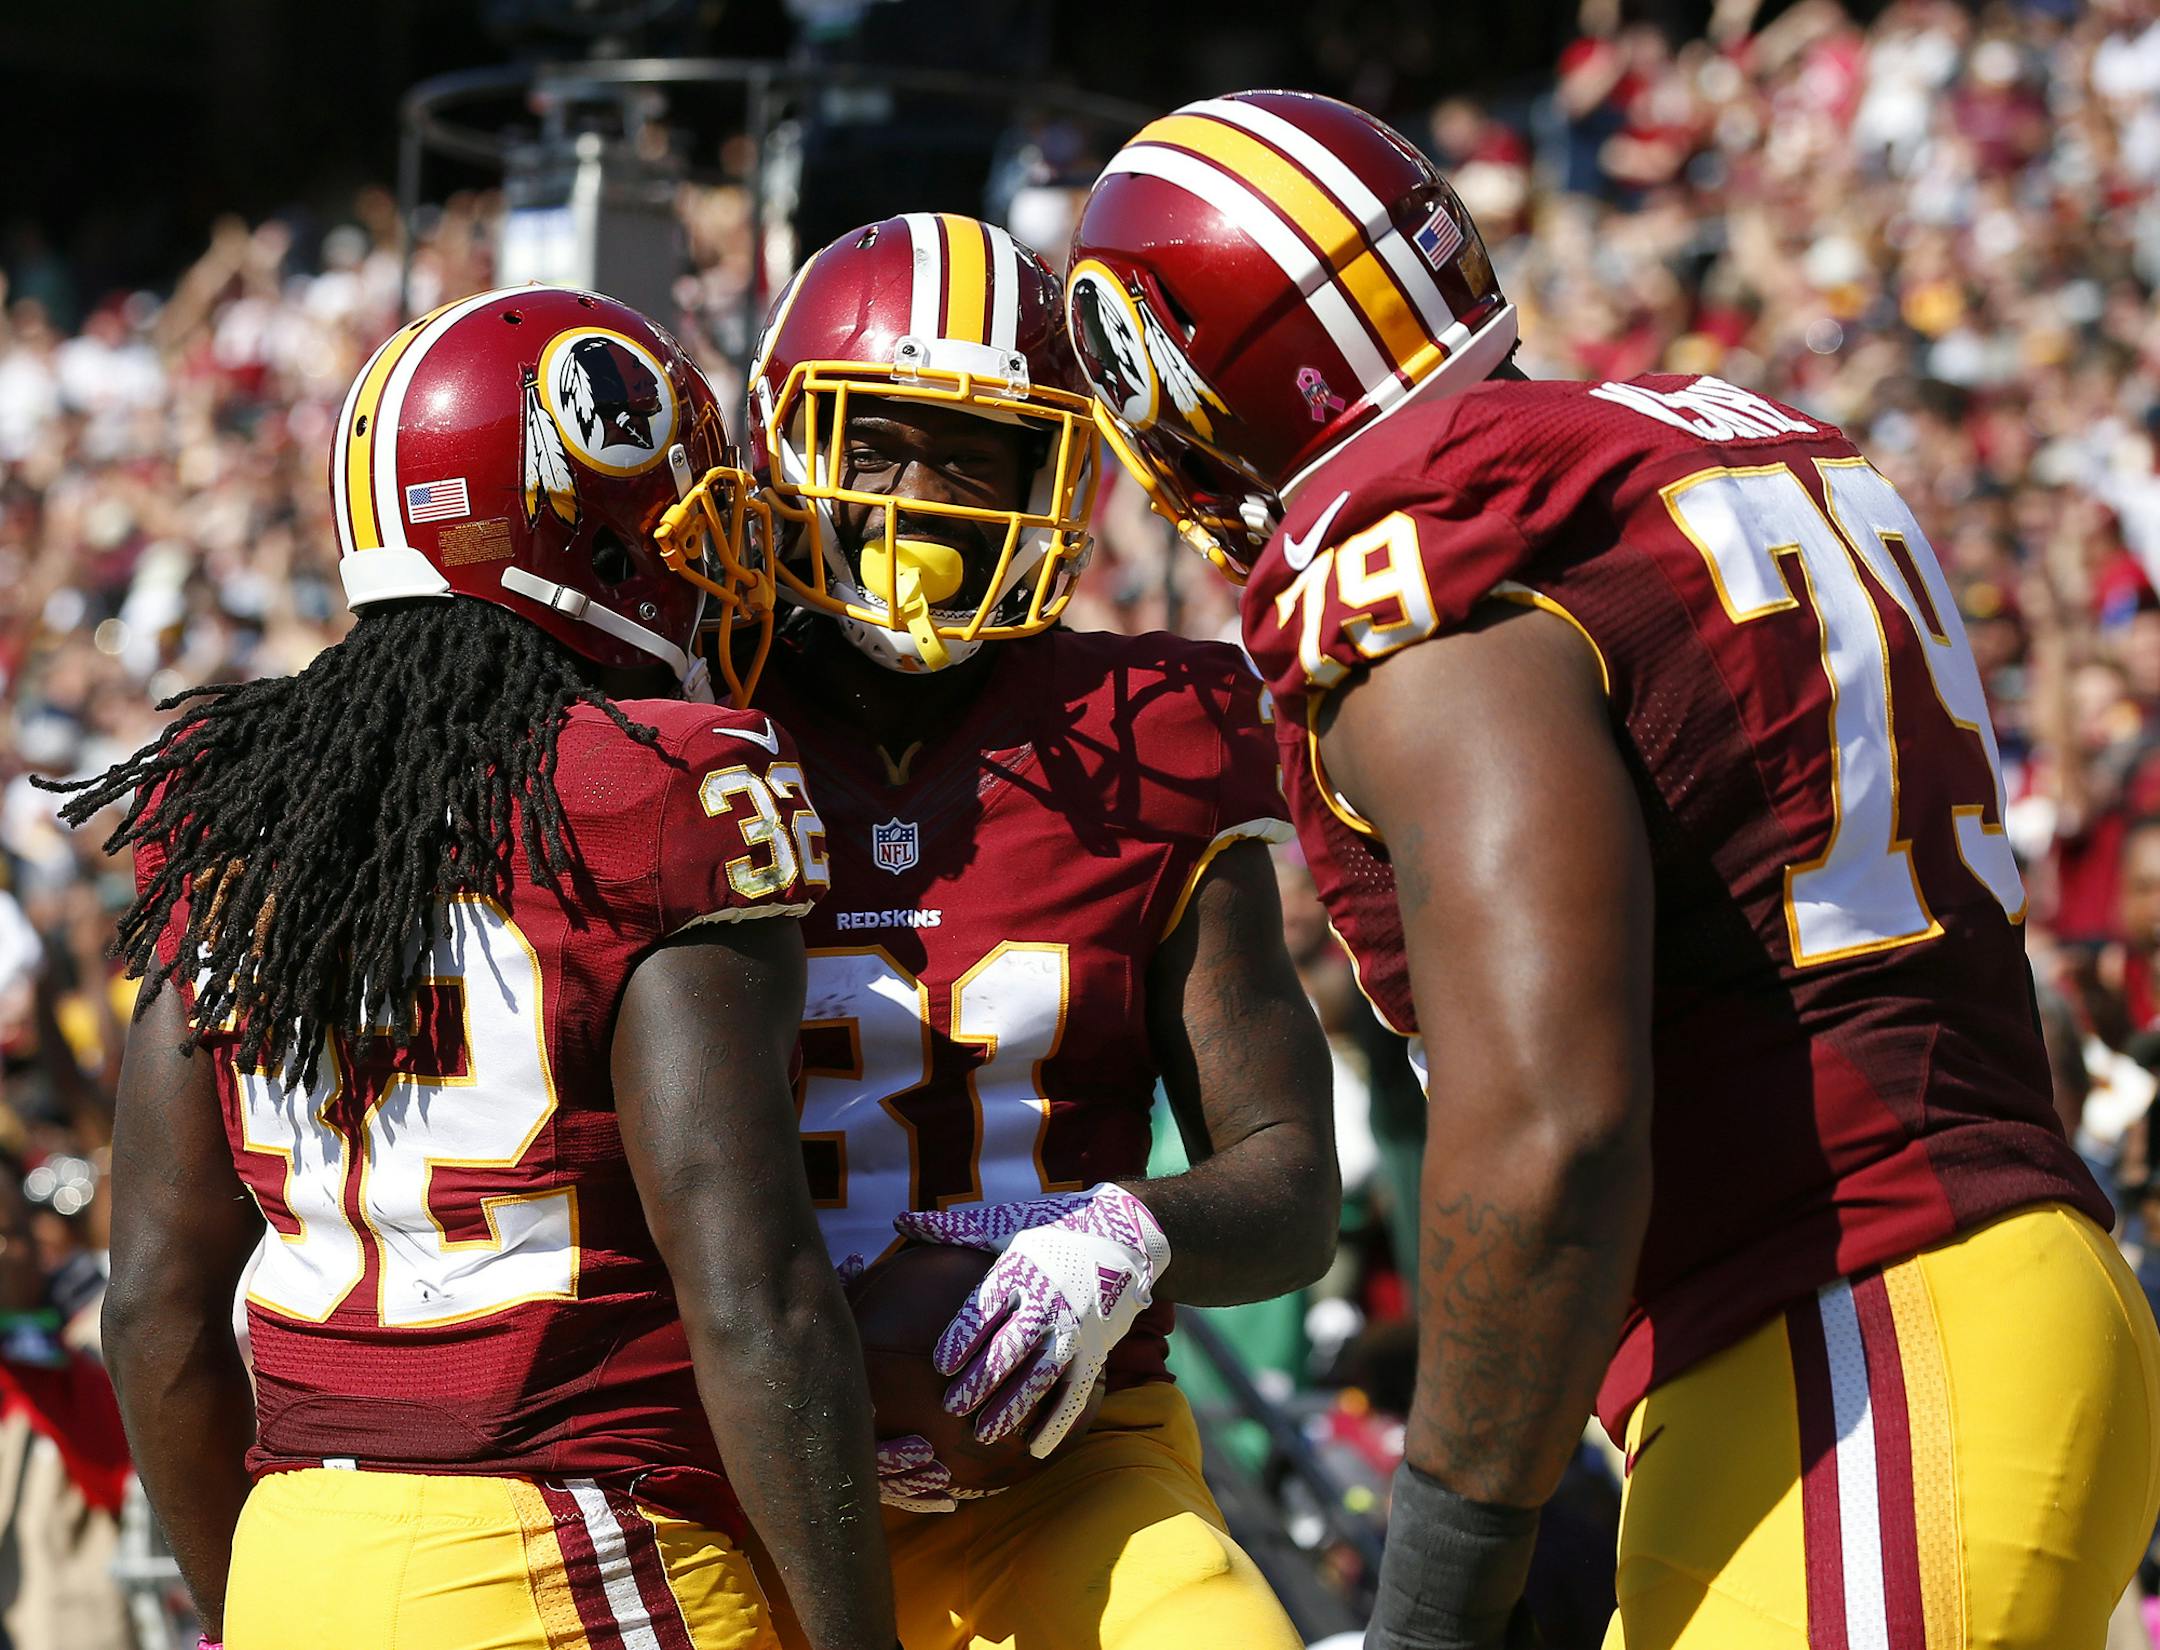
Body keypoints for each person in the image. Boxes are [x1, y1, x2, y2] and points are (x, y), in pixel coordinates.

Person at [1066, 90, 2160, 1649]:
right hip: (1950, 1315)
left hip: (1856, 1341)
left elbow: (1554, 1125)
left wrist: (1439, 1597)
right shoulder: (1684, 445)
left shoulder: (1429, 554)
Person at [47, 285, 900, 1650]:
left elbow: (150, 1304)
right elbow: (754, 1295)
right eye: (674, 525)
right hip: (574, 1547)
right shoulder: (658, 788)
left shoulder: (231, 804)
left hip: (296, 1552)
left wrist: (242, 1604)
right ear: (594, 533)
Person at [732, 213, 1338, 1650]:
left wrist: (1117, 1234)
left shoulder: (1154, 733)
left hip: (1072, 1459)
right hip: (734, 1460)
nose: (922, 497)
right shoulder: (696, 729)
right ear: (781, 449)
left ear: (1057, 473)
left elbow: (1293, 1183)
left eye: (974, 454)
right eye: (875, 441)